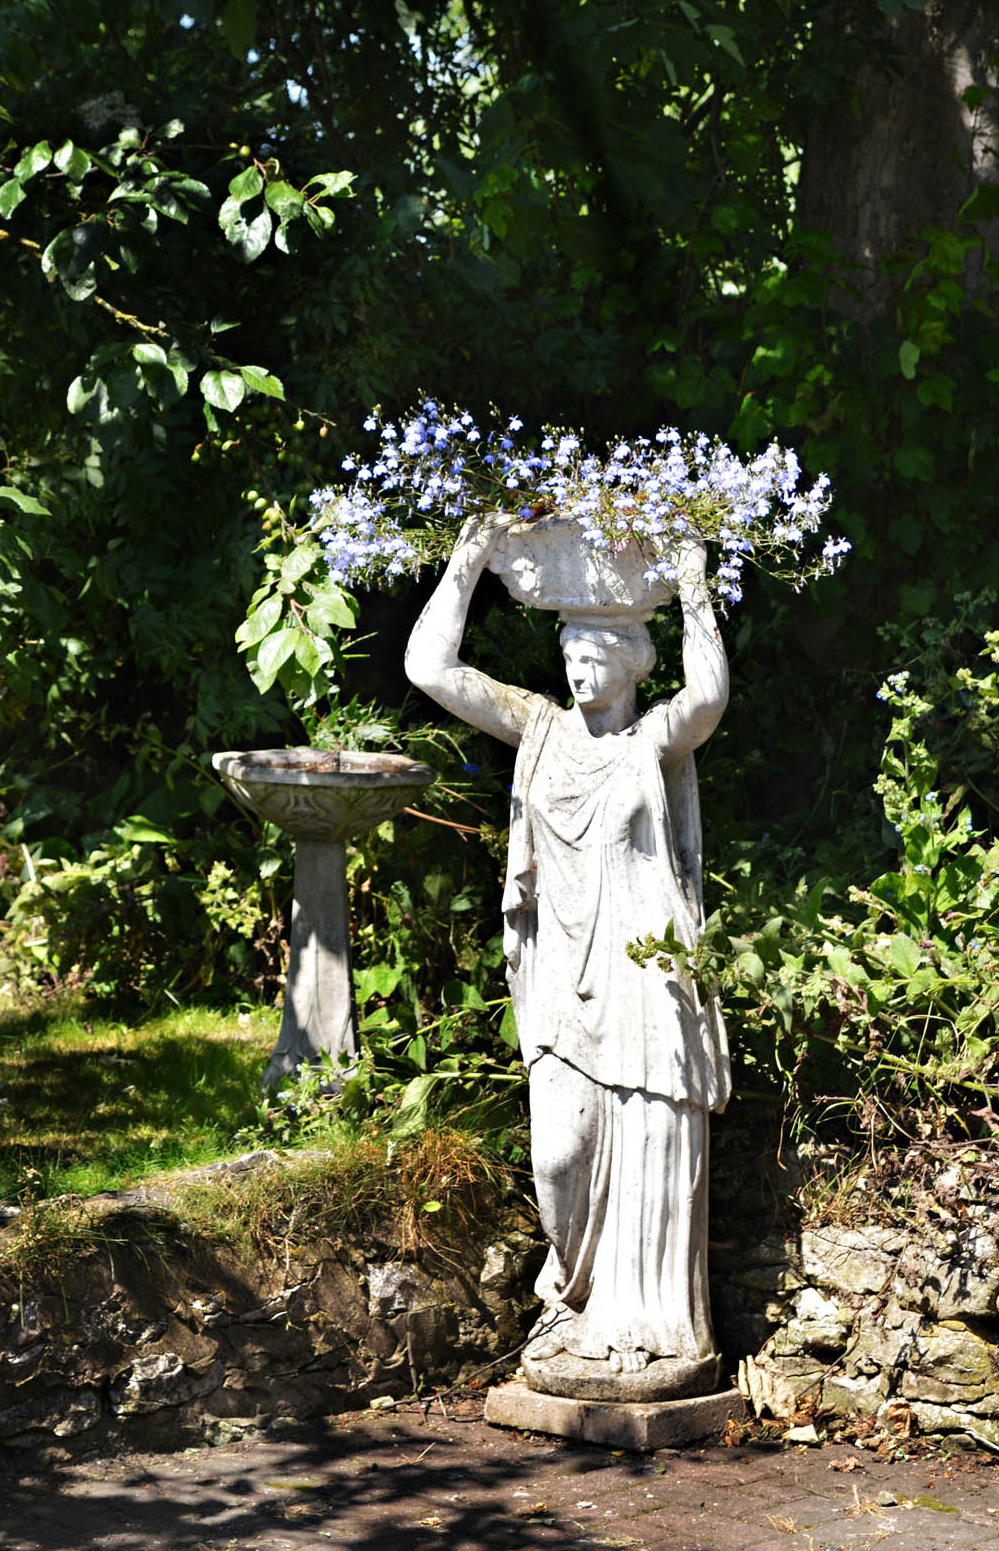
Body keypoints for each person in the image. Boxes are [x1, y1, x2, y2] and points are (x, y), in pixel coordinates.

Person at [404, 515, 732, 1391]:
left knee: (650, 1140)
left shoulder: (649, 743)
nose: (576, 667)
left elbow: (708, 697)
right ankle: (574, 1301)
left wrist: (695, 585)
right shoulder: (539, 730)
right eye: (570, 654)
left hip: (643, 974)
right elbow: (429, 669)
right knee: (558, 1156)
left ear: (630, 664)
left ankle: (647, 1327)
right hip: (559, 977)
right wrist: (468, 561)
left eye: (594, 655)